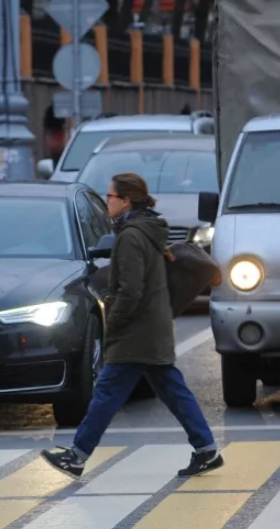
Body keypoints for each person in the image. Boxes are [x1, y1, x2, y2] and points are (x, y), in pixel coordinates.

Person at [41, 172, 223, 479]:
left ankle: (77, 456)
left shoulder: (130, 236)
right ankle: (206, 449)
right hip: (152, 327)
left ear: (125, 201)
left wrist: (114, 321)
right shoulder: (146, 229)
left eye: (110, 196)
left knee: (108, 393)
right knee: (172, 391)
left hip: (137, 331)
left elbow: (131, 289)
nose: (107, 201)